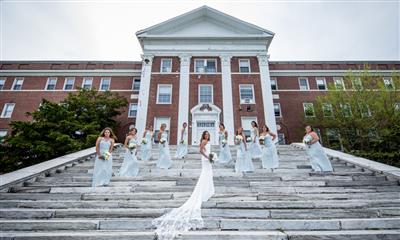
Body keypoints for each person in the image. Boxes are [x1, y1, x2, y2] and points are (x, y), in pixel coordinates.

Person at [153, 131, 215, 240]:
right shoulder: (203, 141)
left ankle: (207, 190)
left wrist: (210, 156)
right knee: (205, 174)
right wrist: (208, 157)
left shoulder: (207, 141)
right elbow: (200, 150)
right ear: (203, 136)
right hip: (205, 160)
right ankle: (204, 191)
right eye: (205, 134)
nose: (207, 136)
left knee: (208, 174)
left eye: (208, 134)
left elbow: (206, 150)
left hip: (207, 159)